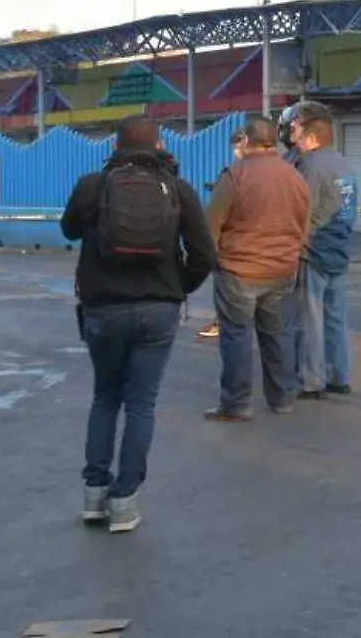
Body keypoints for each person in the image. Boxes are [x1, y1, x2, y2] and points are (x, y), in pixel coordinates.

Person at [60, 115, 216, 534]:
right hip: (158, 311)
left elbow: (69, 229)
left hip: (103, 310)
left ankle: (94, 495)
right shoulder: (178, 189)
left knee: (105, 398)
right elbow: (204, 254)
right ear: (161, 145)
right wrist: (175, 287)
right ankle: (125, 502)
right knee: (141, 404)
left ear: (114, 147)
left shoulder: (93, 185)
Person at [204, 118, 310, 420]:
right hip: (281, 269)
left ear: (246, 141)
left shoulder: (235, 176)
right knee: (278, 333)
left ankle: (237, 404)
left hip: (239, 271)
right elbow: (304, 223)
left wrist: (214, 259)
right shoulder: (294, 177)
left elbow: (211, 224)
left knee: (237, 336)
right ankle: (282, 398)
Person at [285, 102, 355, 400]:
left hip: (312, 251)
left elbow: (300, 211)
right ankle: (339, 376)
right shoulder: (344, 164)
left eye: (295, 127)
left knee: (309, 319)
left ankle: (311, 380)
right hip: (337, 249)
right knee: (335, 318)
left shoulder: (310, 166)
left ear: (310, 135)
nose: (291, 131)